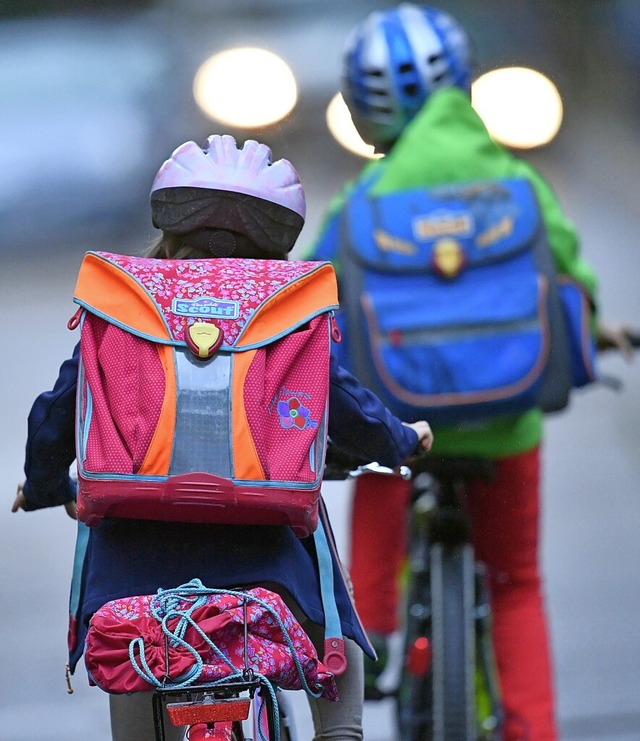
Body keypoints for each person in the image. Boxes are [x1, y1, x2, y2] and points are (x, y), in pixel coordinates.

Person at [12, 133, 434, 741]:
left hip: (135, 560)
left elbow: (57, 411)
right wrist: (400, 441)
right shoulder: (287, 308)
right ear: (274, 239)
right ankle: (340, 732)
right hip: (268, 563)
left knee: (131, 650)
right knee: (330, 624)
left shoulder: (127, 304)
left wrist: (51, 484)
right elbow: (344, 406)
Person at [306, 5, 634, 740]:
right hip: (505, 421)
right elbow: (570, 276)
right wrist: (597, 330)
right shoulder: (516, 179)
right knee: (516, 582)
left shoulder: (365, 198)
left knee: (380, 469)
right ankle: (532, 728)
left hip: (402, 417)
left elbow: (313, 290)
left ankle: (375, 629)